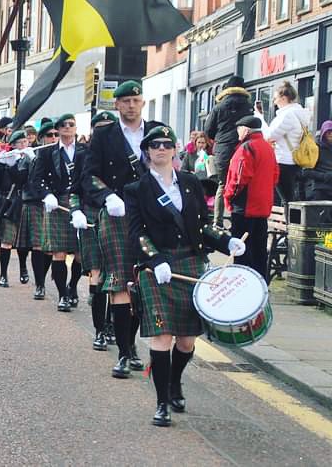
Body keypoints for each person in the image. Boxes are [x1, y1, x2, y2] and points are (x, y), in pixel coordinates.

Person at [126, 125, 244, 427]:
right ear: (147, 152)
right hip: (158, 269)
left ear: (176, 149)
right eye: (155, 145)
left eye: (167, 144)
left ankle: (174, 382)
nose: (161, 149)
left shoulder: (191, 183)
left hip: (191, 262)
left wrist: (225, 240)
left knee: (188, 341)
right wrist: (155, 259)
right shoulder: (137, 190)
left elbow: (203, 225)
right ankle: (162, 402)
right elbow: (136, 233)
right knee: (163, 335)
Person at [83, 80, 164, 378]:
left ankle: (133, 347)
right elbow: (89, 176)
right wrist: (107, 196)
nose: (131, 105)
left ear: (143, 102)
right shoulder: (104, 135)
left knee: (143, 283)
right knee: (119, 283)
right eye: (125, 100)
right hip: (117, 215)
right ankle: (125, 352)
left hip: (150, 214)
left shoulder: (157, 131)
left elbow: (171, 171)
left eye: (136, 100)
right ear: (116, 104)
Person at [34, 114, 88, 311]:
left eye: (71, 124)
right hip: (56, 204)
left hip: (80, 203)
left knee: (80, 253)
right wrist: (47, 194)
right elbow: (37, 178)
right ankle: (62, 295)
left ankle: (72, 287)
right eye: (63, 125)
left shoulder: (85, 150)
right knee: (59, 252)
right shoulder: (48, 152)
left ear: (75, 128)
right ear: (57, 129)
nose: (67, 127)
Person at [72, 110, 116, 351]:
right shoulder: (82, 156)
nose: (105, 131)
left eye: (109, 126)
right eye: (100, 127)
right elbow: (74, 189)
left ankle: (112, 325)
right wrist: (75, 210)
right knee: (98, 273)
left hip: (119, 219)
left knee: (119, 278)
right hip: (91, 215)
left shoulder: (125, 153)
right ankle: (100, 330)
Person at [224, 116, 279, 282]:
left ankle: (241, 283)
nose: (237, 133)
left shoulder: (247, 148)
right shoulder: (268, 148)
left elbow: (239, 178)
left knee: (241, 251)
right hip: (262, 207)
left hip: (245, 207)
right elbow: (275, 176)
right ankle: (259, 282)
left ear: (246, 130)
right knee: (258, 250)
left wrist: (229, 197)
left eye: (239, 129)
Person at [204, 75, 254, 226]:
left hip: (223, 150)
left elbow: (208, 130)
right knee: (240, 184)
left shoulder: (219, 107)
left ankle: (217, 222)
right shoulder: (248, 106)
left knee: (222, 184)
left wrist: (219, 139)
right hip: (242, 149)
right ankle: (237, 220)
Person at [0, 130, 33, 286]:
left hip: (25, 203)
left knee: (23, 243)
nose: (23, 145)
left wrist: (29, 160)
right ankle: (3, 274)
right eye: (19, 143)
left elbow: (22, 180)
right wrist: (1, 165)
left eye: (25, 142)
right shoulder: (7, 158)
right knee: (6, 241)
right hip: (7, 204)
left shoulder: (31, 159)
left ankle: (23, 268)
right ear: (13, 145)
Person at [260, 81, 311, 207]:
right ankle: (290, 225)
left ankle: (289, 226)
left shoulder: (287, 115)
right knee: (291, 198)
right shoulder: (299, 113)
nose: (274, 101)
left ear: (284, 98)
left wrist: (260, 118)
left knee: (286, 200)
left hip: (283, 161)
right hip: (295, 161)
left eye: (276, 98)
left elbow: (269, 136)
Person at [22, 120, 57, 298]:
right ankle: (40, 284)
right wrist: (30, 160)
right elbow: (29, 179)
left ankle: (42, 277)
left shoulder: (64, 152)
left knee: (52, 247)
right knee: (37, 245)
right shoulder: (37, 153)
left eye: (55, 135)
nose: (53, 138)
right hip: (37, 202)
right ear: (42, 138)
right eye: (50, 135)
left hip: (57, 203)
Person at [180, 131, 216, 198]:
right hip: (192, 182)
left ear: (206, 143)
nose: (201, 145)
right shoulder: (189, 154)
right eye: (199, 142)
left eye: (203, 143)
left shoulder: (210, 155)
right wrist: (190, 173)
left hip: (206, 185)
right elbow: (183, 169)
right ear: (195, 143)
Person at [303, 121, 332, 200]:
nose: (330, 135)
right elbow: (306, 172)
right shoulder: (315, 149)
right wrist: (324, 176)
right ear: (323, 133)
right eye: (328, 132)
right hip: (320, 190)